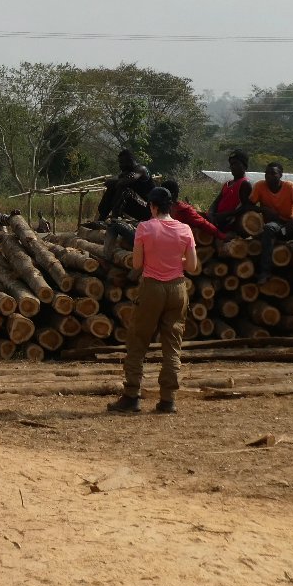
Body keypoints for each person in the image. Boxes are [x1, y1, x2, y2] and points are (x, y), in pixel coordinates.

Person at [108, 187, 197, 415]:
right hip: (178, 288)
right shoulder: (185, 229)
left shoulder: (145, 228)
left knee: (138, 341)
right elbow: (192, 266)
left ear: (152, 206)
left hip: (152, 288)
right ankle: (168, 399)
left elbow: (137, 263)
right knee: (172, 345)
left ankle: (132, 395)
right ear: (171, 206)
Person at [96, 149, 154, 222]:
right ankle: (102, 217)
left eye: (121, 163)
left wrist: (115, 181)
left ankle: (114, 219)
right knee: (113, 187)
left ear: (129, 161)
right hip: (135, 206)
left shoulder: (141, 169)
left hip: (147, 209)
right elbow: (111, 182)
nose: (120, 166)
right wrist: (114, 181)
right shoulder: (126, 173)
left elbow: (123, 182)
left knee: (124, 189)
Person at [161, 180, 229, 241]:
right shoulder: (183, 210)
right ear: (176, 193)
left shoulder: (157, 210)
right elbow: (203, 224)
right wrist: (223, 236)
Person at [207, 149, 252, 231]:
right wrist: (210, 213)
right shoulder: (227, 184)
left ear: (245, 166)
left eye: (236, 164)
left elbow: (245, 207)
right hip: (218, 218)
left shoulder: (245, 183)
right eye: (231, 164)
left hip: (229, 222)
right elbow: (216, 202)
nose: (232, 167)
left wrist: (225, 215)